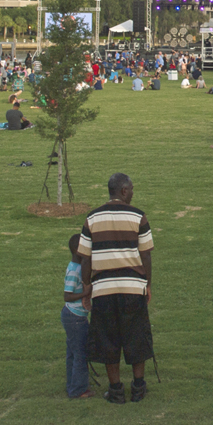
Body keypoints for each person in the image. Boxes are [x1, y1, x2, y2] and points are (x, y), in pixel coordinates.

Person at [79, 173, 154, 404]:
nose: (133, 192)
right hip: (132, 289)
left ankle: (116, 390)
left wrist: (87, 287)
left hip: (103, 291)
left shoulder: (92, 218)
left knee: (107, 340)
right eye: (131, 189)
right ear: (123, 191)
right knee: (136, 337)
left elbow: (85, 258)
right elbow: (146, 255)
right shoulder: (138, 217)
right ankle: (139, 388)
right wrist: (147, 285)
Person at [61, 233, 93, 399]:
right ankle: (78, 389)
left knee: (73, 352)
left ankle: (72, 384)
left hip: (76, 316)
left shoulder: (79, 267)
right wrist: (85, 293)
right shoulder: (75, 270)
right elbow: (67, 295)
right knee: (80, 353)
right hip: (75, 318)